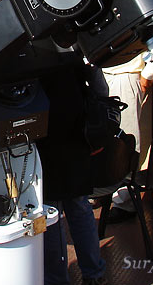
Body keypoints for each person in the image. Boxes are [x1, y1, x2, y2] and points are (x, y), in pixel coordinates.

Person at [37, 64, 109, 285]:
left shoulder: (31, 47)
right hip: (76, 132)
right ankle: (94, 273)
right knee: (79, 207)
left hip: (45, 134)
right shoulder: (73, 45)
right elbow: (100, 87)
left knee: (51, 215)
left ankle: (56, 280)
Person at [101, 54, 153, 223]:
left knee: (125, 142)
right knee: (99, 138)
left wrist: (148, 74)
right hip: (100, 74)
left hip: (125, 77)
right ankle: (102, 190)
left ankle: (124, 202)